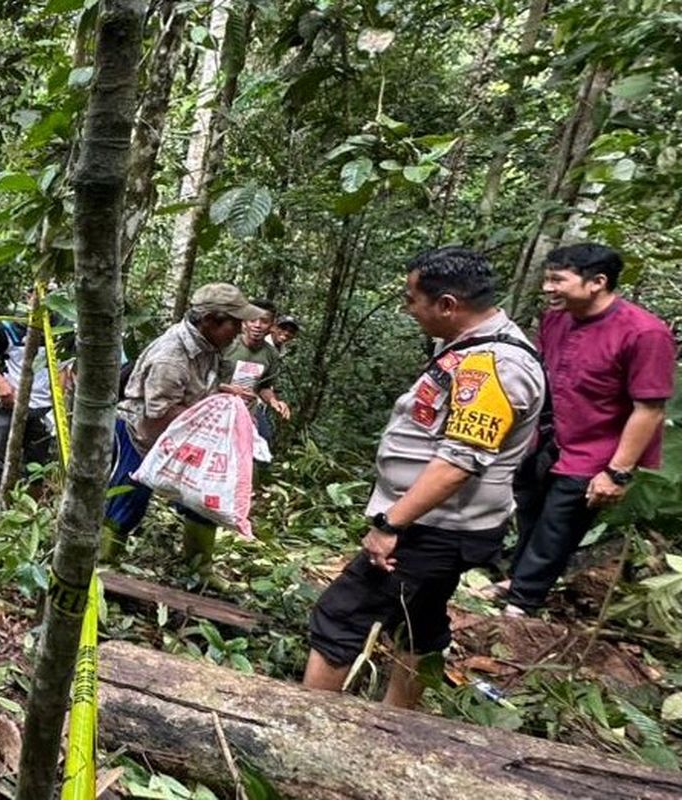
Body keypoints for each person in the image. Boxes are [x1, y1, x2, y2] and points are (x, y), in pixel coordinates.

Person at [302, 247, 544, 708]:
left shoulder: (493, 366)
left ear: (448, 304)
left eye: (412, 299)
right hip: (444, 523)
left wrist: (391, 524)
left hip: (433, 526)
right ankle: (401, 723)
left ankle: (306, 728)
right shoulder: (472, 350)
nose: (408, 308)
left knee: (342, 616)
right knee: (419, 620)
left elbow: (459, 462)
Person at [499, 244, 676, 617]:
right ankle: (516, 579)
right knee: (530, 508)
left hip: (599, 449)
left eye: (557, 280)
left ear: (597, 282)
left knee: (559, 524)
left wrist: (618, 470)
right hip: (548, 435)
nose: (548, 288)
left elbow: (650, 408)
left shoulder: (645, 333)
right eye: (547, 279)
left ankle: (522, 602)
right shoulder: (556, 318)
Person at [103, 283, 267, 587]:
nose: (239, 331)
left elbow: (195, 390)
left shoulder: (210, 347)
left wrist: (221, 395)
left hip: (181, 435)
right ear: (210, 321)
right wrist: (216, 422)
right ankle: (103, 562)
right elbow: (158, 411)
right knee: (128, 497)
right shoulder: (172, 356)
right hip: (141, 434)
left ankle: (199, 569)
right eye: (235, 323)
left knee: (203, 498)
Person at [0, 291, 57, 498]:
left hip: (43, 407)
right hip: (12, 403)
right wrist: (0, 381)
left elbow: (65, 367)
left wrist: (59, 402)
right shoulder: (9, 327)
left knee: (36, 467)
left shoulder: (60, 329)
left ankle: (30, 514)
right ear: (28, 297)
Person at [219, 298, 291, 446]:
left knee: (262, 441)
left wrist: (274, 401)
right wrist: (228, 389)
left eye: (264, 321)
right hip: (217, 405)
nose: (257, 325)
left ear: (272, 326)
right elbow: (203, 377)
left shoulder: (271, 354)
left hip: (246, 410)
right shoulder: (226, 344)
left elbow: (264, 386)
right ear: (244, 321)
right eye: (252, 320)